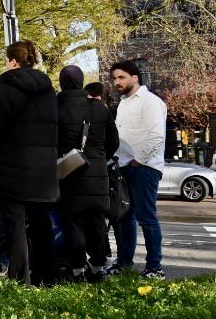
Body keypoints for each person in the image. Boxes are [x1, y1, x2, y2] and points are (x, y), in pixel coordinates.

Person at [0, 40, 60, 285]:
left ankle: (20, 279)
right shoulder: (47, 90)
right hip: (44, 169)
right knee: (41, 223)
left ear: (13, 62)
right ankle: (47, 276)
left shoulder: (3, 88)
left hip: (12, 166)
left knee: (15, 226)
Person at [56, 66, 119, 280]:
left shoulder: (57, 107)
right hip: (98, 173)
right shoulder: (99, 108)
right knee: (96, 223)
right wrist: (100, 158)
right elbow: (114, 141)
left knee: (73, 223)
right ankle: (99, 266)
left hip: (69, 173)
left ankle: (77, 269)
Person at [108, 59, 168, 279]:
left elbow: (156, 136)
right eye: (114, 78)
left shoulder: (150, 101)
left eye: (121, 77)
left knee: (147, 217)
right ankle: (124, 263)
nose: (117, 82)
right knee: (125, 218)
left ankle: (155, 267)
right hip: (124, 166)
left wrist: (138, 161)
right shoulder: (124, 103)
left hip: (144, 167)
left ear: (135, 78)